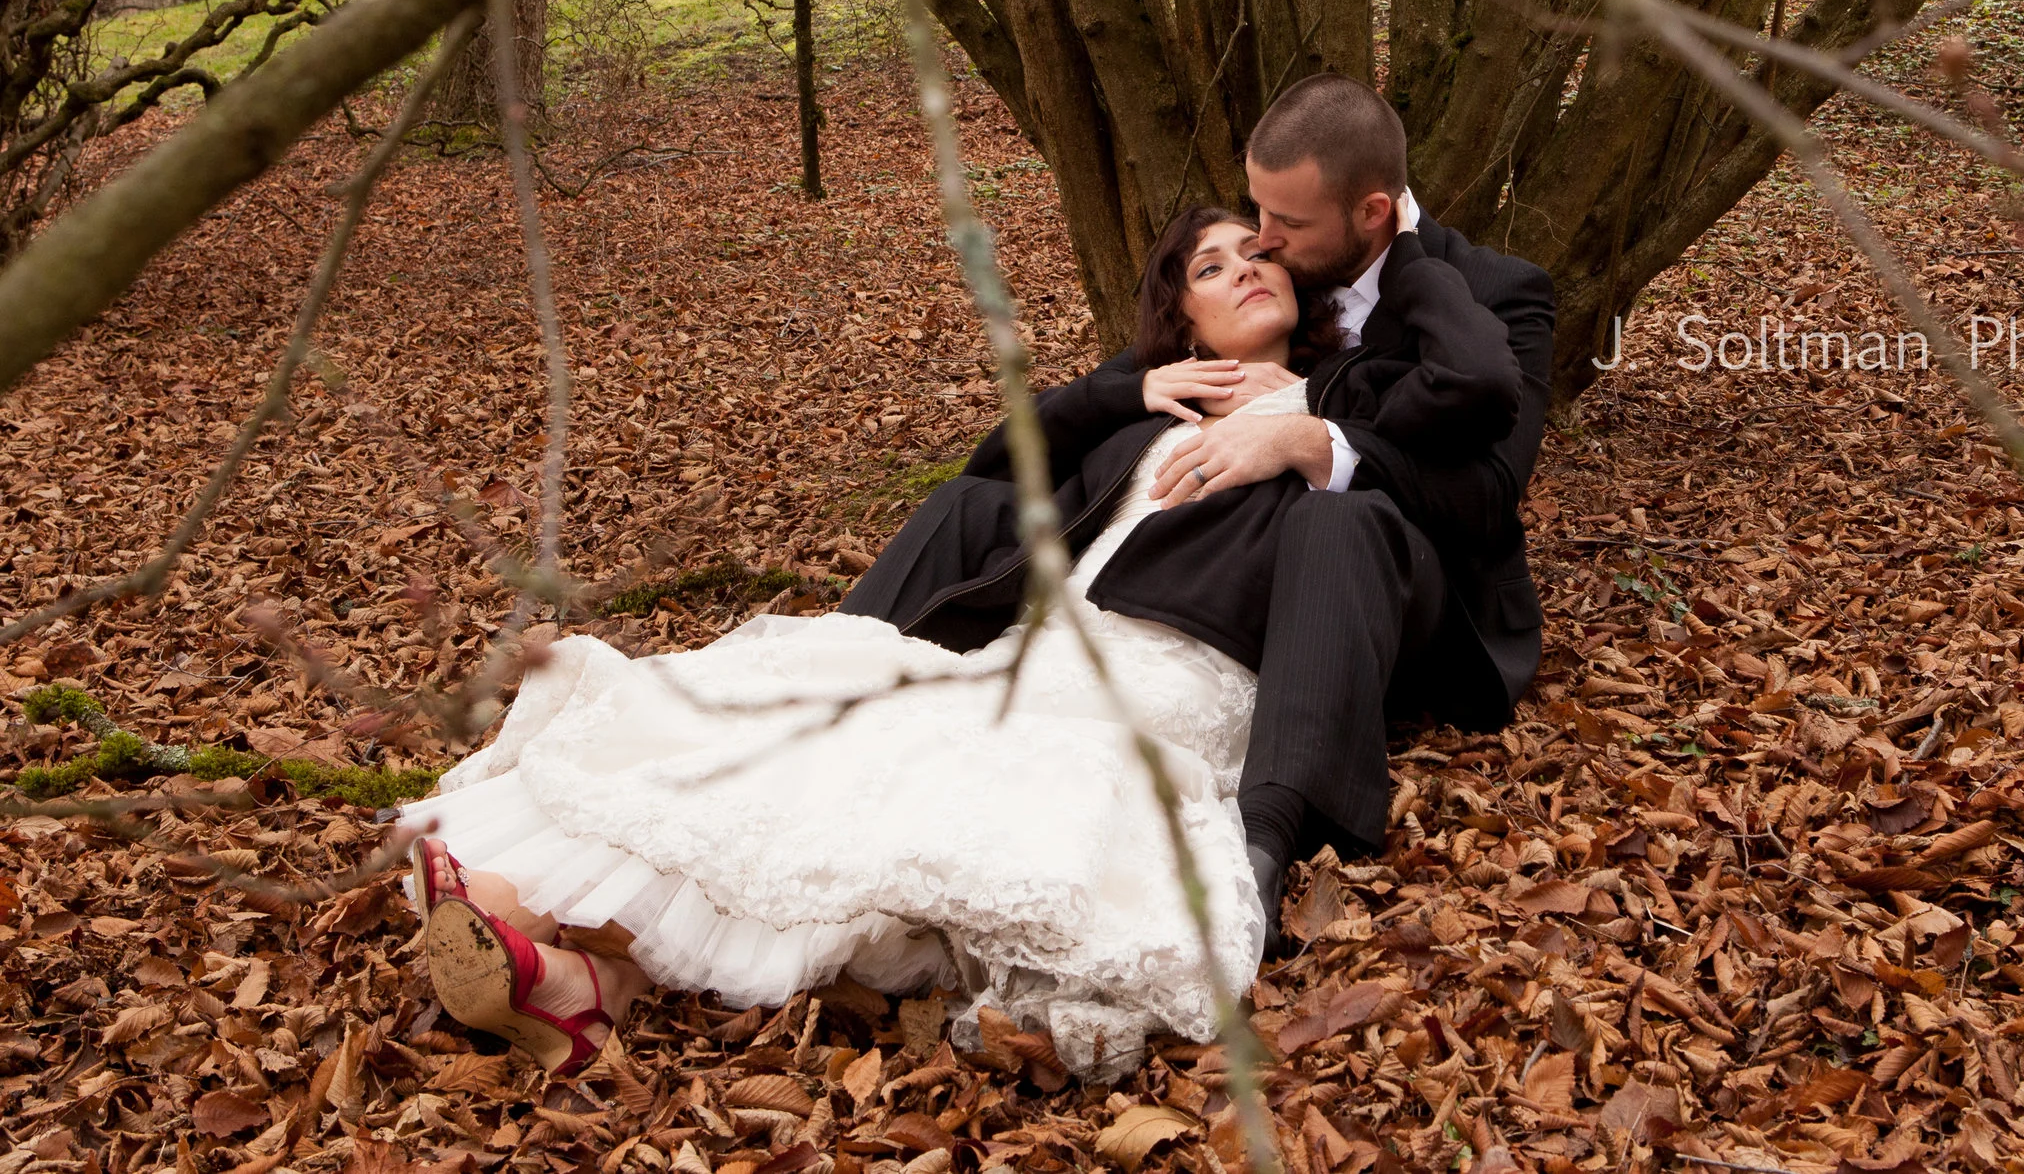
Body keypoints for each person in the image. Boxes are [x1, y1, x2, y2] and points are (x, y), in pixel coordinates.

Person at [402, 204, 1521, 1081]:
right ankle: (565, 957)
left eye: (1259, 252)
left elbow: (1465, 406)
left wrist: (1325, 382)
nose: (1248, 268)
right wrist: (1125, 385)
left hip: (1170, 677)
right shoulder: (1147, 411)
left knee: (935, 783)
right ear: (1183, 321)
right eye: (1213, 267)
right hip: (1045, 645)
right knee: (840, 736)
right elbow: (995, 465)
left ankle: (563, 943)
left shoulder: (1350, 396)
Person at [848, 75, 1558, 945]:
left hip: (1409, 582)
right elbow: (1158, 351)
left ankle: (1269, 842)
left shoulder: (1496, 293)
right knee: (979, 539)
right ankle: (847, 670)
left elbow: (1484, 497)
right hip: (1188, 583)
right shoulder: (1279, 266)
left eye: (1280, 229)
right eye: (1249, 224)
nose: (1262, 245)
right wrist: (1136, 388)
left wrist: (1310, 436)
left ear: (1371, 213)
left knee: (1333, 522)